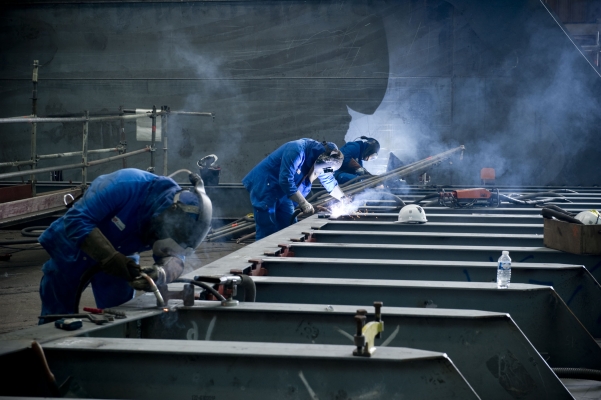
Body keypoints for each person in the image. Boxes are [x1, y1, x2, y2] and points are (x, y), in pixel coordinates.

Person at [38, 168, 212, 319]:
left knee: (120, 316)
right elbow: (76, 219)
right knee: (58, 318)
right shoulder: (127, 183)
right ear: (166, 216)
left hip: (120, 259)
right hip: (74, 247)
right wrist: (110, 257)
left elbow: (175, 258)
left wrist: (160, 273)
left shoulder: (179, 222)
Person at [242, 138, 349, 240]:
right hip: (266, 185)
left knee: (289, 225)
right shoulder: (297, 150)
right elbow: (285, 180)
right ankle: (262, 255)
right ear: (320, 159)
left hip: (284, 191)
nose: (321, 172)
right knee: (268, 226)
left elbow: (328, 179)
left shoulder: (322, 158)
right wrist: (303, 203)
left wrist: (343, 198)